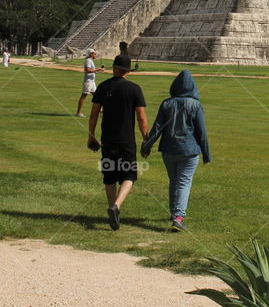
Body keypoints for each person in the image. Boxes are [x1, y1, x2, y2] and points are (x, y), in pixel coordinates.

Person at [142, 70, 210, 232]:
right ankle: (178, 217)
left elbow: (157, 128)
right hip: (189, 150)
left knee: (174, 182)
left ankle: (174, 213)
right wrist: (206, 153)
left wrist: (147, 146)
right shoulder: (195, 105)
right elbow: (202, 132)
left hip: (169, 149)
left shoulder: (167, 103)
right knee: (184, 182)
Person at [86, 54, 148, 231]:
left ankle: (112, 205)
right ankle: (117, 206)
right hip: (126, 140)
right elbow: (141, 118)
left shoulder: (103, 87)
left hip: (108, 138)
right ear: (129, 71)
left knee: (109, 176)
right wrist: (146, 139)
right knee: (129, 176)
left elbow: (94, 114)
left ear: (114, 68)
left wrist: (91, 136)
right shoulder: (134, 89)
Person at [76, 49, 104, 117]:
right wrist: (97, 69)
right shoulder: (88, 60)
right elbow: (88, 70)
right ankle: (78, 113)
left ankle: (101, 111)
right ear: (91, 54)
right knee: (84, 96)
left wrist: (99, 70)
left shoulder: (91, 61)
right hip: (88, 82)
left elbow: (92, 71)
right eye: (94, 53)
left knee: (97, 96)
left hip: (92, 82)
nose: (95, 55)